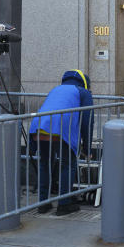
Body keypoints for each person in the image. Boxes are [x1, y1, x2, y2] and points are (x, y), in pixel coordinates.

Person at [28, 69, 93, 216]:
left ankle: (43, 204)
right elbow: (87, 121)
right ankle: (64, 204)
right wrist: (87, 148)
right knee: (67, 165)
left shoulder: (56, 89)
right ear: (84, 82)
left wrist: (32, 146)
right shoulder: (83, 92)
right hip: (60, 129)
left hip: (39, 127)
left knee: (45, 164)